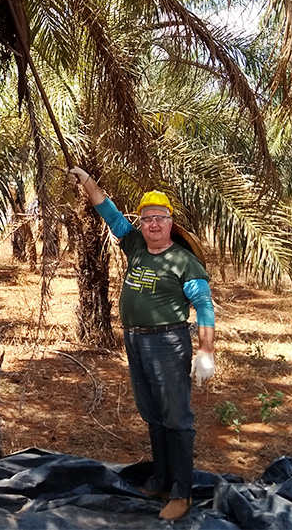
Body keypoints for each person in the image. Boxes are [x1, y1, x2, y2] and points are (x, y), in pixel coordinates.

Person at [69, 167, 215, 521]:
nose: (152, 224)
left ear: (170, 223)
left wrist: (206, 351)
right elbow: (110, 213)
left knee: (177, 418)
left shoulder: (183, 261)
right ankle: (162, 479)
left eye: (159, 219)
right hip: (135, 341)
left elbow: (204, 306)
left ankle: (182, 493)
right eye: (147, 218)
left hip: (168, 342)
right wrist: (89, 183)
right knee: (152, 413)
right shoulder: (134, 244)